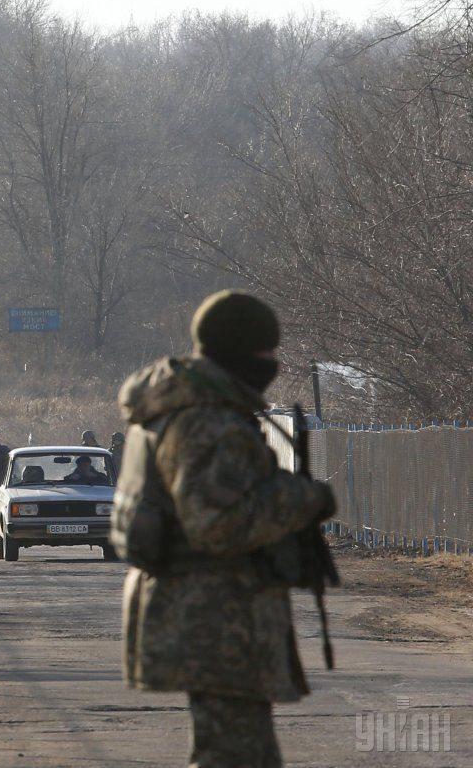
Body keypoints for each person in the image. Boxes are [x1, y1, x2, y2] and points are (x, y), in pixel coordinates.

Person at [112, 290, 335, 768]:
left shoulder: (178, 409)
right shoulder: (209, 421)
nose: (272, 362)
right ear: (240, 351)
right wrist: (303, 499)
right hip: (216, 618)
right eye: (265, 351)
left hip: (202, 613)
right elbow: (216, 525)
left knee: (229, 753)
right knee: (238, 757)